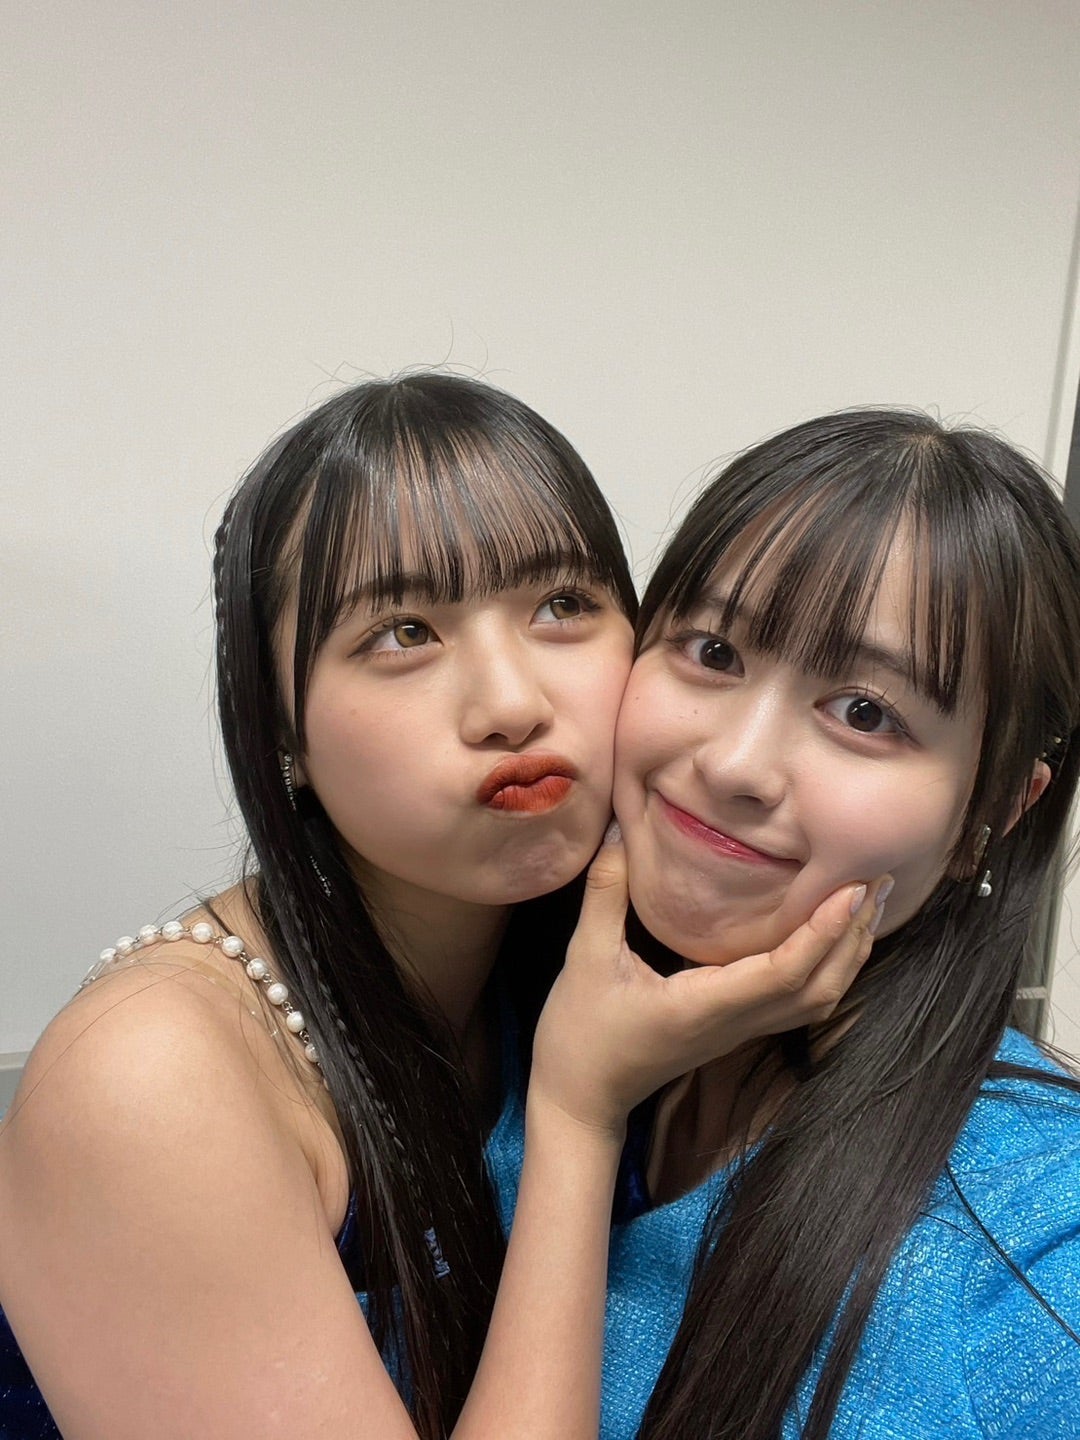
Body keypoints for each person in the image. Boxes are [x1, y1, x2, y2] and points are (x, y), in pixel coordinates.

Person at [0, 374, 881, 1440]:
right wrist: (577, 1115)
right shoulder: (149, 1079)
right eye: (403, 632)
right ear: (279, 731)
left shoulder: (578, 959)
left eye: (562, 605)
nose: (511, 704)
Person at [593, 408, 1080, 1438]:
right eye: (713, 650)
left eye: (865, 712)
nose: (734, 763)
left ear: (994, 815)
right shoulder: (520, 1034)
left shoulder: (1040, 1239)